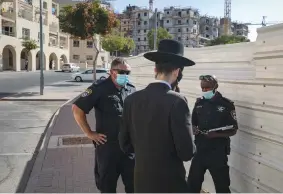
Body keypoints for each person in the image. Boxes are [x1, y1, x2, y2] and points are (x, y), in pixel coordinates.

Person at [119, 39, 196, 193]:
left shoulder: (131, 99)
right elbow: (187, 152)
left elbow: (124, 144)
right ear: (177, 71)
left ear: (155, 70)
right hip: (170, 184)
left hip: (141, 181)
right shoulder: (177, 101)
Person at [72, 57, 136, 193]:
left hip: (129, 149)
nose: (126, 76)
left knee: (134, 186)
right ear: (112, 72)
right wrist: (89, 133)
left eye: (128, 73)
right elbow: (77, 109)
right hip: (108, 149)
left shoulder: (131, 89)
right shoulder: (99, 88)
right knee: (107, 187)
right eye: (123, 73)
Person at [187, 74, 238, 193]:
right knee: (192, 185)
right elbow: (193, 123)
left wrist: (215, 135)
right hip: (200, 151)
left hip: (218, 154)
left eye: (207, 88)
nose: (204, 91)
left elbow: (234, 129)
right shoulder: (199, 103)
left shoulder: (226, 105)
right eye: (202, 88)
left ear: (215, 87)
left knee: (222, 187)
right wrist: (194, 129)